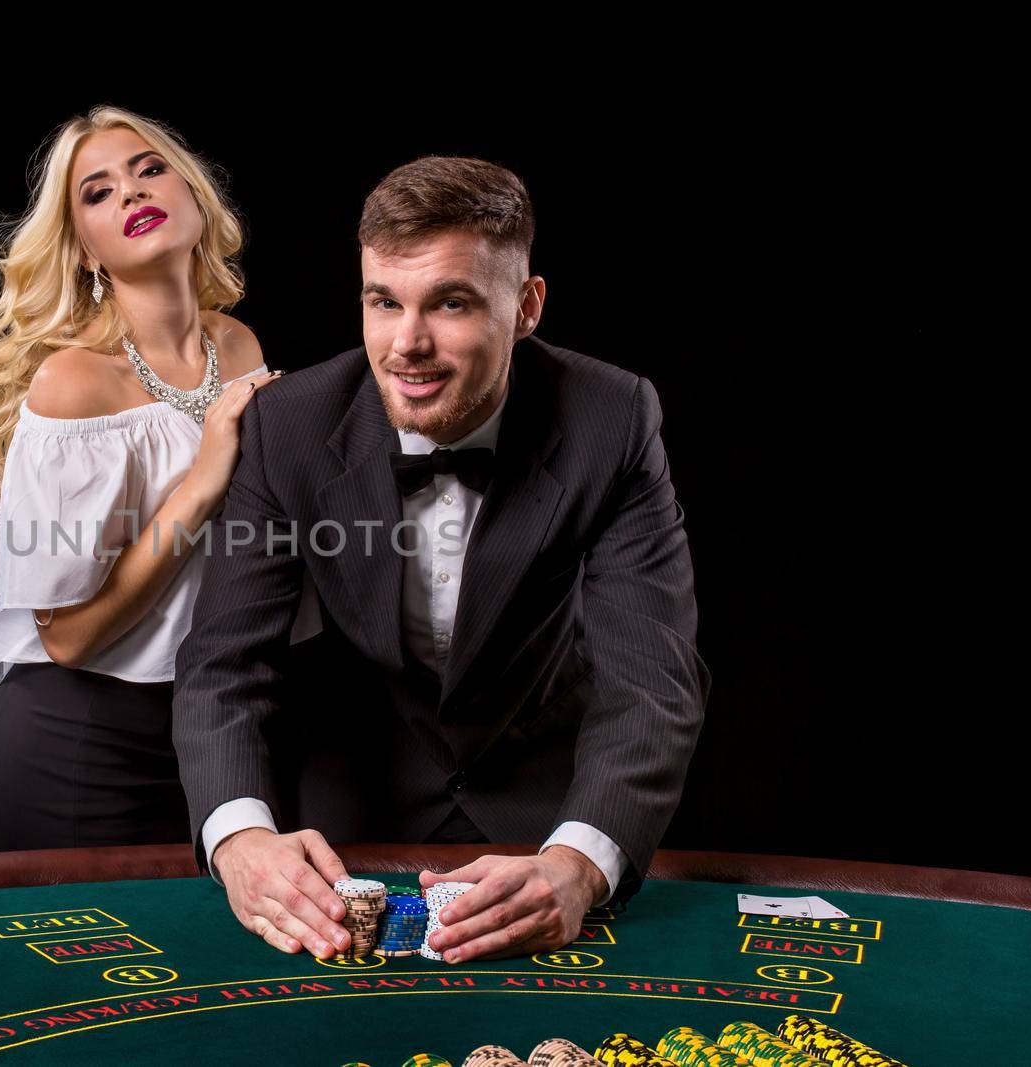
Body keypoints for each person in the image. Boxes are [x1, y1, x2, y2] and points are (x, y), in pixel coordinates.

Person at [172, 156, 712, 964]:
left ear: (526, 306)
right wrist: (243, 840)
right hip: (350, 828)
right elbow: (223, 663)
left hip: (547, 823)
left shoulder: (612, 418)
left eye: (451, 303)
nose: (407, 344)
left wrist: (577, 864)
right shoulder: (289, 425)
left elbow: (653, 676)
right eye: (383, 301)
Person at [0, 106, 320, 851]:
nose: (130, 192)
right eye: (97, 192)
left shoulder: (238, 341)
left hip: (219, 729)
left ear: (194, 196)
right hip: (80, 741)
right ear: (85, 251)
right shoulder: (74, 383)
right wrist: (203, 479)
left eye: (149, 169)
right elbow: (70, 639)